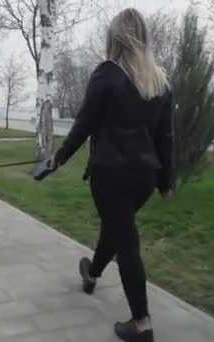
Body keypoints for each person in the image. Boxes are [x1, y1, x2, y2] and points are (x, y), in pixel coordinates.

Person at [50, 8, 174, 342]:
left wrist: (59, 157)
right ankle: (91, 273)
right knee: (117, 227)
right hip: (143, 179)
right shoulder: (159, 80)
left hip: (110, 175)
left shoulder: (108, 73)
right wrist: (165, 183)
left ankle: (141, 323)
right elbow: (165, 138)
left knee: (126, 240)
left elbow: (85, 123)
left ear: (114, 37)